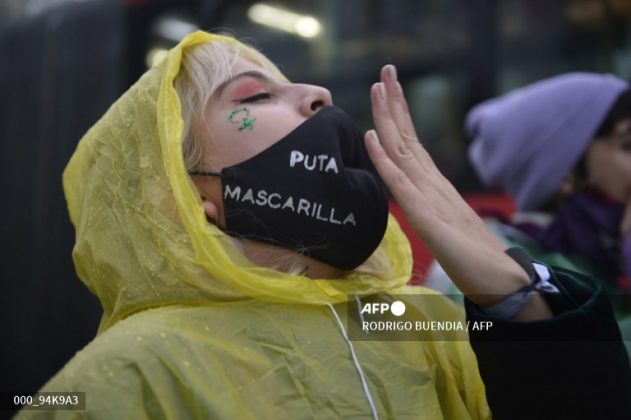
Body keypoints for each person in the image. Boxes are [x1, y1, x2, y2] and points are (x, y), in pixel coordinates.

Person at [14, 32, 631, 419]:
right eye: (255, 98)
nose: (317, 95)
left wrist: (513, 293)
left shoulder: (401, 319)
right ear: (183, 194)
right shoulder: (131, 371)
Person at [464, 73, 631, 350]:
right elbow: (587, 376)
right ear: (565, 173)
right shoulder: (495, 263)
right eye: (628, 145)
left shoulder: (606, 249)